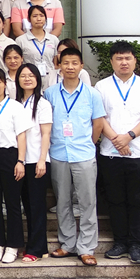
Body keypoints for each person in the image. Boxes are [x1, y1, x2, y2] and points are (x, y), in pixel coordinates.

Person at [95, 41, 140, 265]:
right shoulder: (102, 86)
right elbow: (99, 117)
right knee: (115, 200)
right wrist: (117, 140)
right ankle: (120, 242)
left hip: (139, 152)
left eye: (127, 58)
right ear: (112, 61)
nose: (123, 62)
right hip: (111, 153)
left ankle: (136, 244)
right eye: (119, 58)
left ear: (134, 60)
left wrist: (129, 136)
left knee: (138, 200)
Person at [43, 47, 105, 267]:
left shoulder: (92, 94)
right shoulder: (50, 93)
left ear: (81, 66)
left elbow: (98, 124)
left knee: (87, 202)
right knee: (62, 201)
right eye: (66, 63)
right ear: (59, 66)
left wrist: (88, 143)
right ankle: (67, 243)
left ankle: (86, 248)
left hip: (83, 154)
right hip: (59, 153)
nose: (70, 67)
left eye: (74, 63)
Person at [0, 67, 30, 264]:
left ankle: (13, 245)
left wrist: (20, 161)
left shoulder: (15, 107)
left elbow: (21, 136)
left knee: (12, 202)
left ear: (5, 84)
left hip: (10, 155)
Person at [16, 63, 52, 263]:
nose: (27, 79)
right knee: (27, 206)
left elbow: (46, 133)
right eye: (23, 76)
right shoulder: (15, 102)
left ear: (38, 79)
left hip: (36, 160)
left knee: (37, 206)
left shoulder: (42, 104)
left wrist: (42, 159)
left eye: (31, 75)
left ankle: (35, 249)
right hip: (20, 161)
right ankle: (40, 246)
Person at [15, 5, 59, 89]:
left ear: (45, 18)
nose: (39, 19)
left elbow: (56, 62)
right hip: (29, 80)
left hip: (50, 80)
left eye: (41, 16)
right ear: (29, 19)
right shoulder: (20, 40)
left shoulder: (53, 39)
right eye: (35, 16)